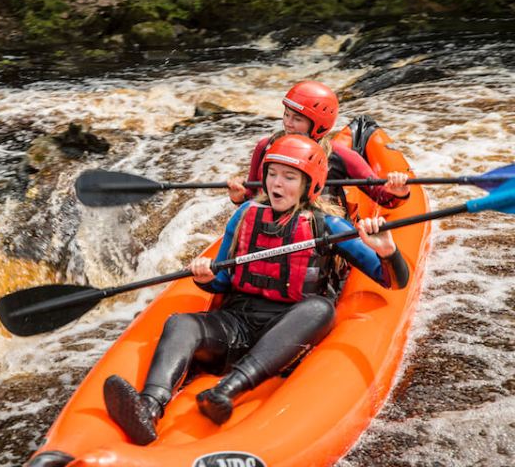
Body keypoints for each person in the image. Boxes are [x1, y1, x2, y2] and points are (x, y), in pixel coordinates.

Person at [102, 134, 410, 446]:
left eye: (289, 177)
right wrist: (205, 277)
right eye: (273, 174)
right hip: (236, 325)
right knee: (181, 322)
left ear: (310, 184)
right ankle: (149, 407)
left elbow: (395, 281)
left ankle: (227, 392)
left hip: (287, 334)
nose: (278, 183)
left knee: (320, 309)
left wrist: (386, 251)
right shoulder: (245, 214)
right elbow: (223, 281)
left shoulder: (328, 226)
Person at [227, 80, 410, 214]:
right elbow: (252, 198)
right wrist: (238, 196)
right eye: (286, 115)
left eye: (297, 119)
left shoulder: (341, 156)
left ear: (319, 125)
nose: (288, 123)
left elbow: (383, 198)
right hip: (272, 224)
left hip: (321, 232)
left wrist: (398, 192)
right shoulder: (265, 146)